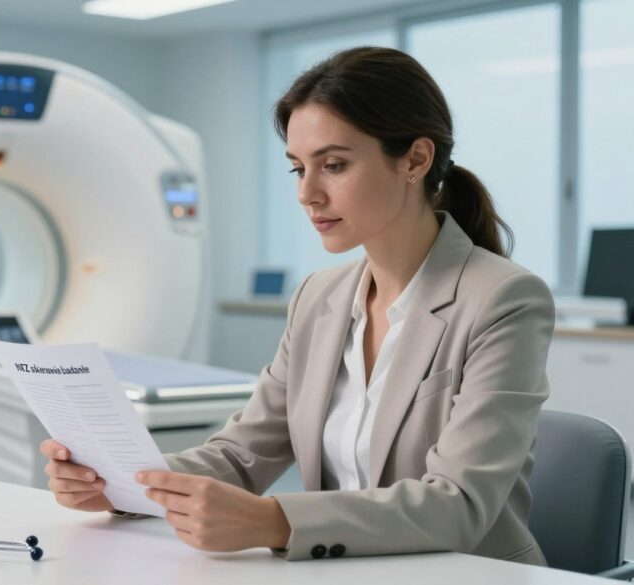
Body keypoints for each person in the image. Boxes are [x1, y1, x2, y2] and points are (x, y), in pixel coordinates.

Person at [39, 46, 555, 565]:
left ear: (415, 160)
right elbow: (242, 455)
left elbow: (459, 505)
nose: (307, 193)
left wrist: (274, 521)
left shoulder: (502, 299)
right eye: (297, 169)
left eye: (333, 165)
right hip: (344, 570)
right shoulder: (319, 297)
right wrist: (123, 483)